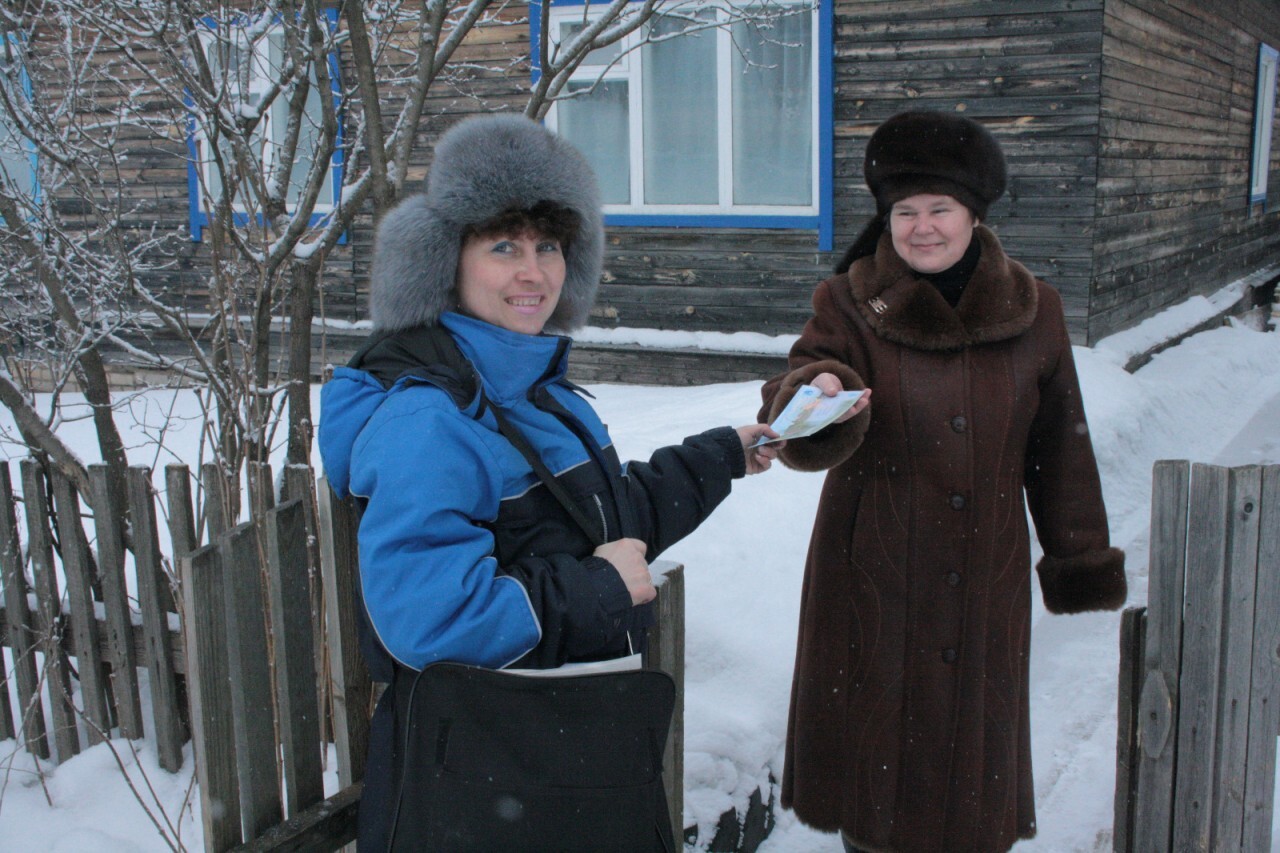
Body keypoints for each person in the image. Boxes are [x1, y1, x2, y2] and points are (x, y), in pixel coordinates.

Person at [318, 113, 779, 851]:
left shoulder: (539, 393)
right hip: (482, 772)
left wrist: (720, 455)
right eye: (504, 246)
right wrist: (594, 588)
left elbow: (602, 523)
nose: (533, 273)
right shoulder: (432, 418)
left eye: (549, 246)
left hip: (560, 749)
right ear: (446, 262)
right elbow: (429, 619)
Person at [757, 110, 1127, 853]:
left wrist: (1079, 555)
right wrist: (817, 391)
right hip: (873, 573)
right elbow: (794, 397)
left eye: (939, 209)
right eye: (905, 211)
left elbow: (1060, 444)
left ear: (974, 215)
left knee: (971, 766)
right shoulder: (849, 301)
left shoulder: (1036, 309)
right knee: (877, 767)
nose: (922, 228)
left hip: (984, 575)